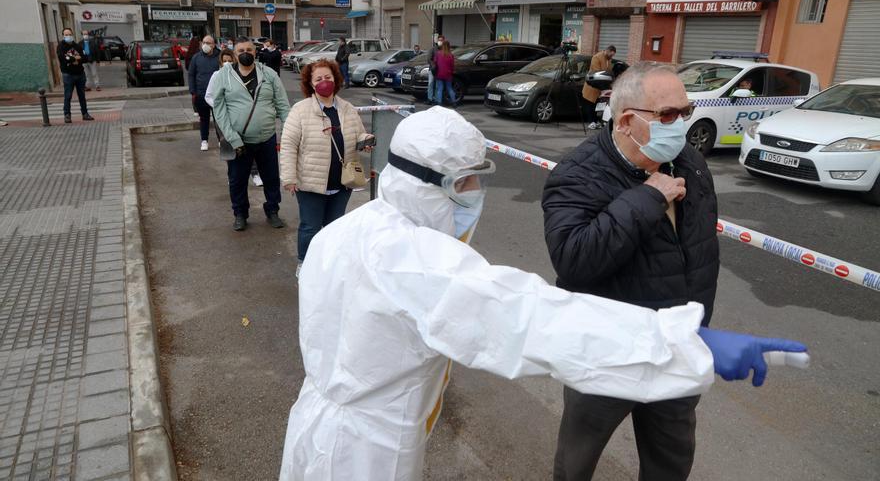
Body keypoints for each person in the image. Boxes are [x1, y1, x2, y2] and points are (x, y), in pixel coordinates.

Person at [278, 105, 807, 481]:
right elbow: (531, 319)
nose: (474, 195)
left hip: (318, 423)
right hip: (368, 453)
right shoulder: (413, 259)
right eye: (466, 182)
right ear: (432, 183)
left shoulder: (353, 228)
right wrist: (684, 343)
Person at [543, 61, 732, 481]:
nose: (681, 123)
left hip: (676, 347)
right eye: (668, 115)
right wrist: (646, 199)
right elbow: (574, 260)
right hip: (607, 354)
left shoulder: (690, 163)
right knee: (577, 460)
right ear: (628, 120)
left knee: (672, 458)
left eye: (685, 111)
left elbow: (699, 254)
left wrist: (698, 330)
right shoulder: (578, 174)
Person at [279, 59, 373, 277]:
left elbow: (358, 133)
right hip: (310, 183)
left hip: (342, 183)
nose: (324, 82)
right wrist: (289, 178)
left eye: (328, 77)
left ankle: (330, 263)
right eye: (318, 79)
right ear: (311, 84)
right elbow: (289, 145)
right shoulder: (300, 110)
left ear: (336, 79)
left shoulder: (347, 109)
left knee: (334, 228)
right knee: (310, 227)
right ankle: (304, 262)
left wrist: (366, 139)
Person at [212, 37, 291, 231]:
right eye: (240, 50)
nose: (245, 53)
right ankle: (240, 214)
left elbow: (282, 105)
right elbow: (219, 110)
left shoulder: (269, 74)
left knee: (271, 178)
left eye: (249, 49)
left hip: (266, 138)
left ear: (255, 52)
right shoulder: (224, 75)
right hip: (238, 141)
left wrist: (290, 132)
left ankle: (272, 210)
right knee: (237, 181)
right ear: (234, 54)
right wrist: (233, 138)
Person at [188, 35, 221, 152]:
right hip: (201, 94)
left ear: (214, 44)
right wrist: (193, 91)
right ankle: (204, 140)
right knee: (204, 119)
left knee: (219, 119)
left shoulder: (220, 57)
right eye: (204, 42)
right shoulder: (196, 57)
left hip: (217, 95)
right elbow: (191, 74)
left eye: (209, 43)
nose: (206, 45)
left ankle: (220, 140)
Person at [57, 28, 93, 124]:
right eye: (66, 34)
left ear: (72, 35)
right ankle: (67, 115)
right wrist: (75, 58)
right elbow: (63, 59)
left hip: (80, 74)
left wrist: (72, 58)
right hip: (68, 75)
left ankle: (85, 114)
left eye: (69, 34)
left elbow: (85, 58)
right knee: (68, 96)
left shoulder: (77, 46)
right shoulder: (61, 46)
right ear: (63, 36)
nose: (68, 36)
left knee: (82, 96)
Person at [582, 45, 616, 130]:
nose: (612, 57)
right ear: (607, 51)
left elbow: (609, 71)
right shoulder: (596, 57)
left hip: (601, 88)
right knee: (590, 104)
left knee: (598, 106)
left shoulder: (609, 59)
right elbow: (597, 72)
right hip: (592, 85)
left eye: (613, 55)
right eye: (611, 55)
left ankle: (596, 121)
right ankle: (591, 122)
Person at [433, 40, 456, 107]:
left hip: (439, 73)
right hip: (448, 74)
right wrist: (451, 72)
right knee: (449, 88)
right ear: (449, 46)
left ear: (442, 46)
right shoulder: (451, 55)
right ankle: (454, 102)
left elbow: (435, 62)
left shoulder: (438, 53)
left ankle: (439, 103)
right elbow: (452, 66)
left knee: (440, 88)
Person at [425, 34, 445, 104]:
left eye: (441, 40)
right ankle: (429, 99)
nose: (440, 42)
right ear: (437, 41)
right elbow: (429, 59)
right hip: (433, 70)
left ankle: (436, 99)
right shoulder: (433, 49)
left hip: (440, 71)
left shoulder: (444, 50)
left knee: (437, 85)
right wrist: (433, 66)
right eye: (439, 40)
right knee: (430, 84)